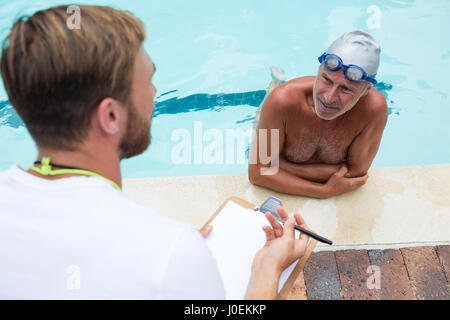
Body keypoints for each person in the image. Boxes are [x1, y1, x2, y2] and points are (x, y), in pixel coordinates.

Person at [0, 5, 309, 299]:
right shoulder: (168, 255)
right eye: (148, 81)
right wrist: (267, 268)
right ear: (110, 116)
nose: (155, 93)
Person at [249, 30, 388, 199]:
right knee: (267, 104)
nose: (329, 98)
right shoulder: (283, 101)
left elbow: (356, 173)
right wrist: (323, 191)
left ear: (365, 91)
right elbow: (257, 173)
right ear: (319, 70)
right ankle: (275, 82)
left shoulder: (373, 110)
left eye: (345, 89)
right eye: (326, 80)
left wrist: (282, 166)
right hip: (282, 101)